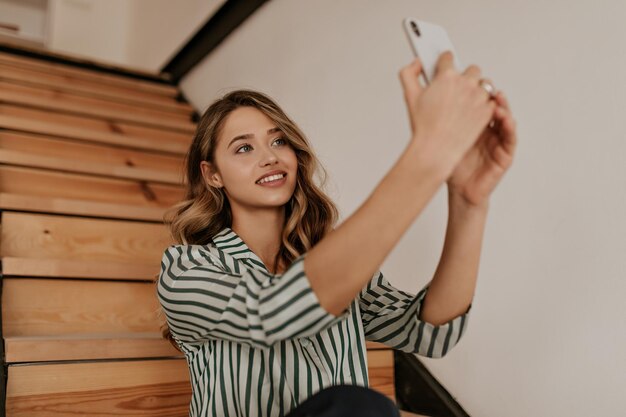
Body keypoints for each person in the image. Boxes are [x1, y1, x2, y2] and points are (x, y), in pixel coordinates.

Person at [156, 51, 517, 417]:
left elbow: (428, 332)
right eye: (244, 148)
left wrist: (469, 202)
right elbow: (275, 310)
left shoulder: (332, 260)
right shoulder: (186, 269)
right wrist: (428, 154)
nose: (270, 157)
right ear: (212, 174)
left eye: (279, 141)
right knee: (357, 405)